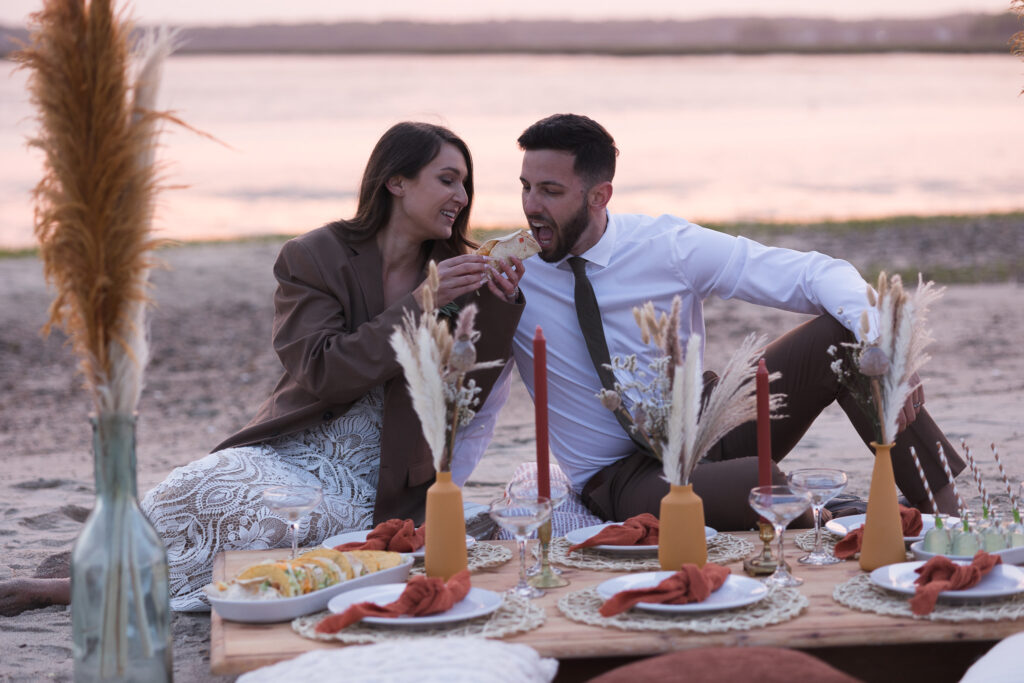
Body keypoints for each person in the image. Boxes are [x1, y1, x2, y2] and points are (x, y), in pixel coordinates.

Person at [0, 122, 525, 615]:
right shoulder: (315, 257)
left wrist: (500, 308)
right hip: (293, 444)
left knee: (268, 519)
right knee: (204, 484)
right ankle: (87, 577)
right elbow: (322, 371)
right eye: (447, 179)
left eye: (465, 183)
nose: (462, 195)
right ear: (396, 182)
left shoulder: (466, 274)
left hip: (378, 480)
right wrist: (420, 303)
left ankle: (81, 589)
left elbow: (467, 403)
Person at [511, 113, 965, 532]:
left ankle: (952, 519)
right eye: (525, 186)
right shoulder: (507, 273)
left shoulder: (666, 245)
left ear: (599, 196)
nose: (532, 205)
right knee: (764, 486)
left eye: (550, 191)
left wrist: (886, 343)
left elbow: (813, 273)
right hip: (625, 477)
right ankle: (829, 514)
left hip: (709, 419)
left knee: (850, 339)